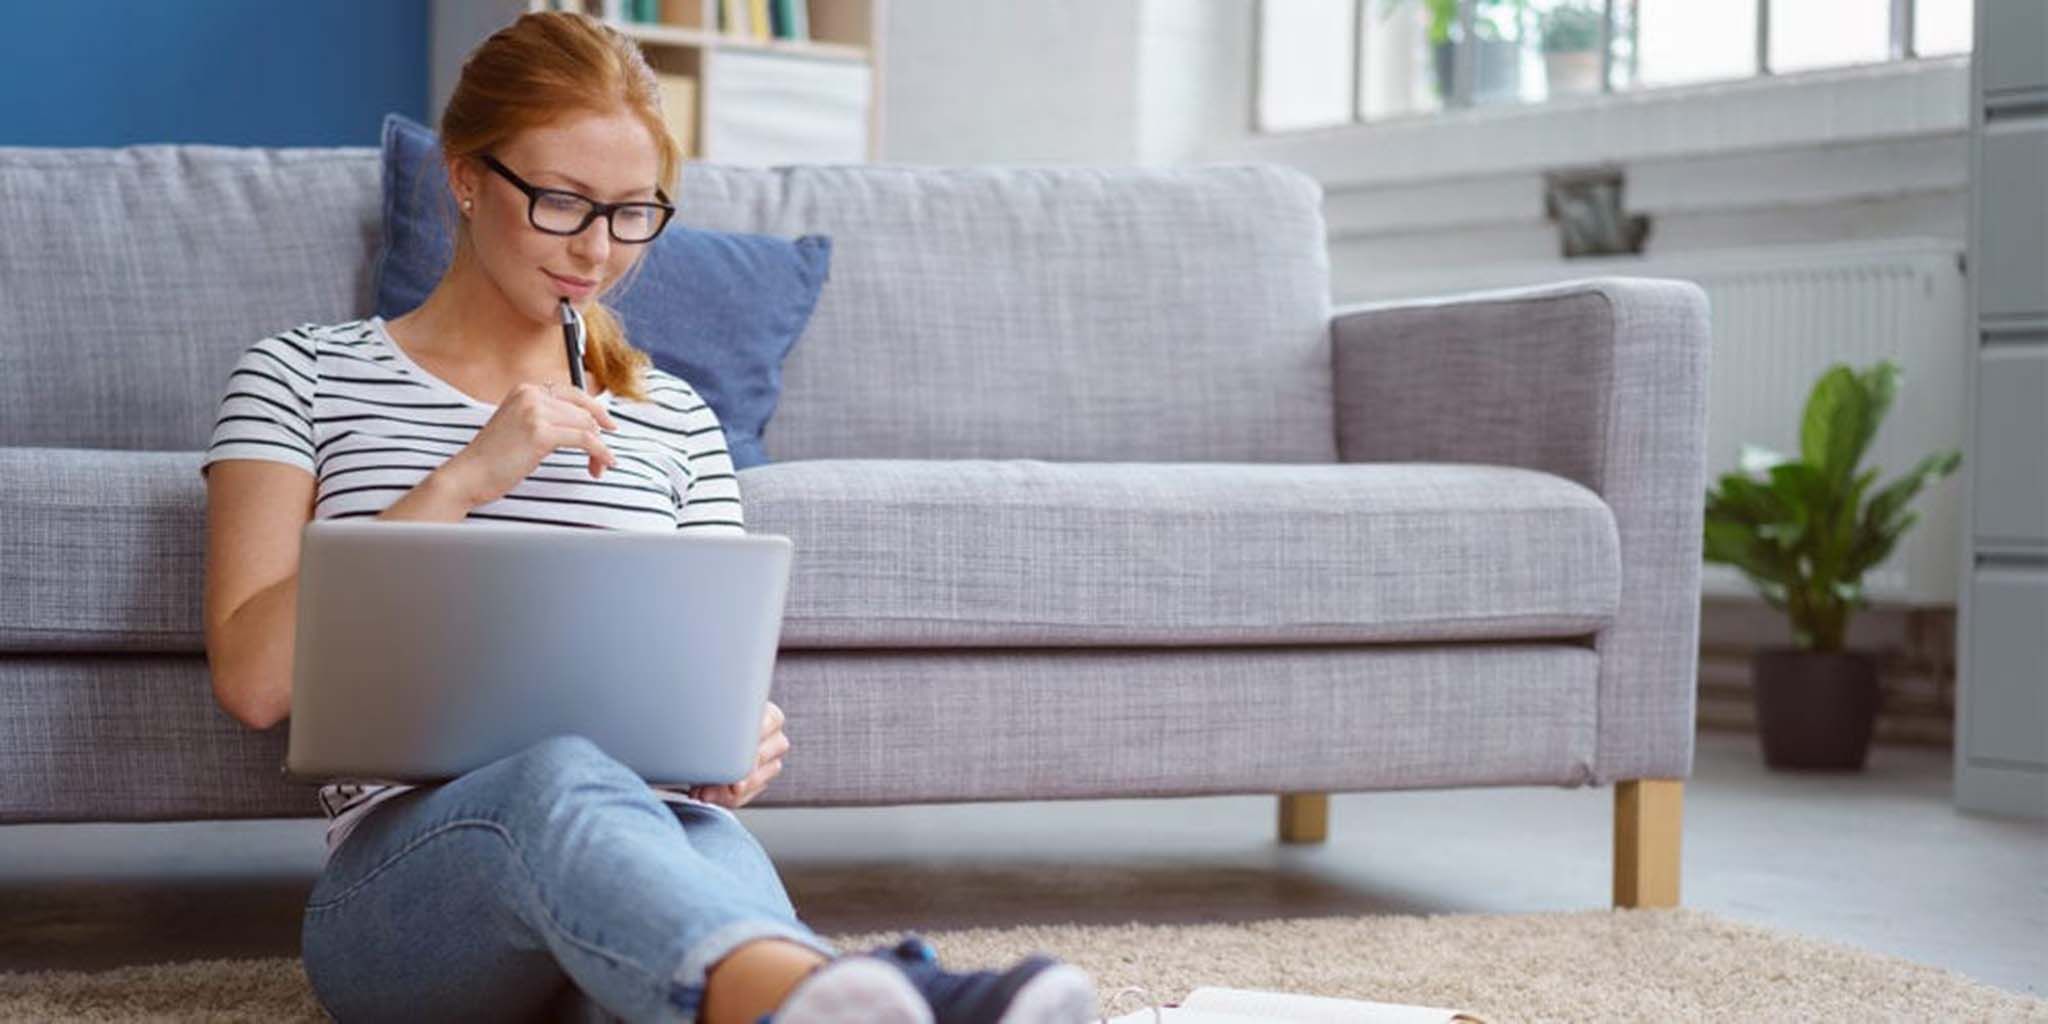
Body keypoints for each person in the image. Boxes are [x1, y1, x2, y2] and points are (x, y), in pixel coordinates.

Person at [198, 10, 1100, 1023]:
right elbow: (255, 680)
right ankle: (908, 998)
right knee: (555, 775)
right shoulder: (300, 374)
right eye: (561, 203)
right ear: (463, 174)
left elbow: (711, 678)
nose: (597, 250)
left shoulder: (672, 416)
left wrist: (731, 744)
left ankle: (827, 1003)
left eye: (633, 213)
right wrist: (460, 480)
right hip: (410, 896)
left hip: (644, 858)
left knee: (708, 848)